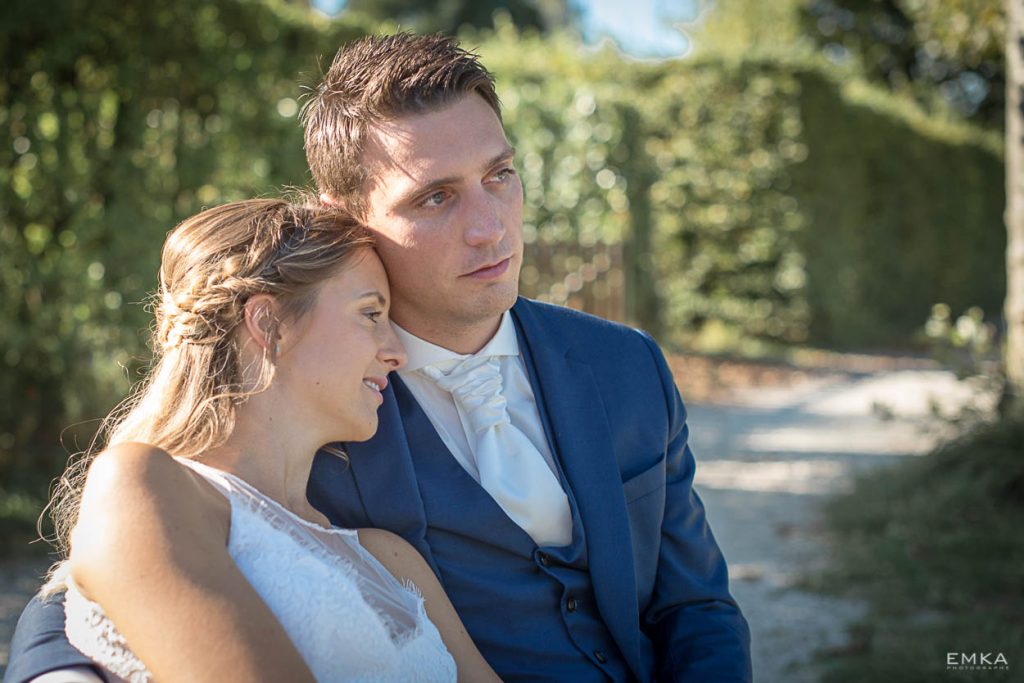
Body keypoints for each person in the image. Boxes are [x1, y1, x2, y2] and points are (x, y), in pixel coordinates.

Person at [8, 34, 752, 682]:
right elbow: (101, 573)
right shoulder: (310, 395)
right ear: (345, 213)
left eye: (500, 174)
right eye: (436, 198)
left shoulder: (625, 366)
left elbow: (695, 605)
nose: (491, 227)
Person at [7, 198, 500, 682]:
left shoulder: (390, 557)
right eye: (371, 314)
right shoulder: (145, 486)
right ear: (269, 324)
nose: (398, 353)